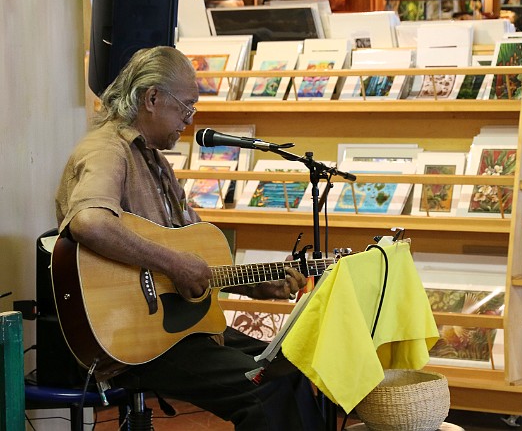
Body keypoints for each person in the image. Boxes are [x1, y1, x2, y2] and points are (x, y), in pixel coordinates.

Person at [55, 46, 326, 431]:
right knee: (266, 387)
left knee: (291, 367)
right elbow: (89, 223)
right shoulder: (105, 150)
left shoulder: (156, 161)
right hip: (135, 338)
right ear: (152, 98)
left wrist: (255, 283)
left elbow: (197, 259)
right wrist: (172, 263)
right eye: (186, 106)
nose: (190, 118)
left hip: (183, 329)